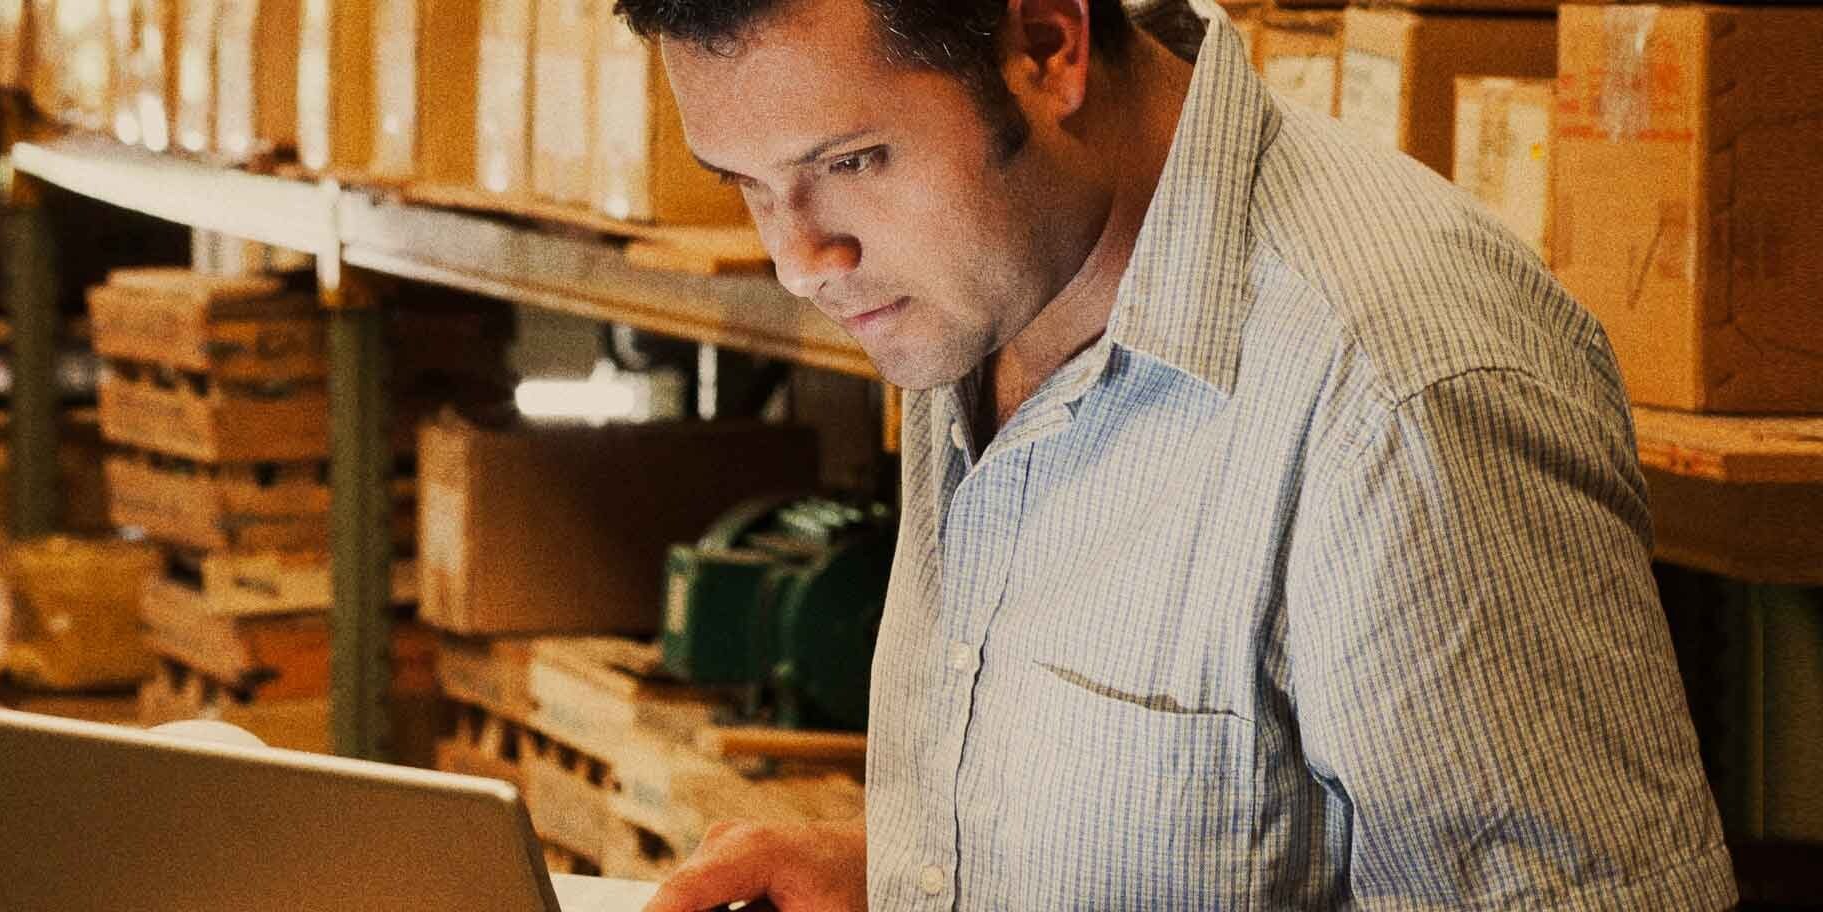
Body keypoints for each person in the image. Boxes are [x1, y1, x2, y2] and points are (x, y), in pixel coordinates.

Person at [619, 0, 1735, 908]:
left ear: (1045, 47)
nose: (801, 260)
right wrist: (913, 879)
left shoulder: (1397, 396)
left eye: (853, 161)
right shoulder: (978, 282)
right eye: (745, 184)